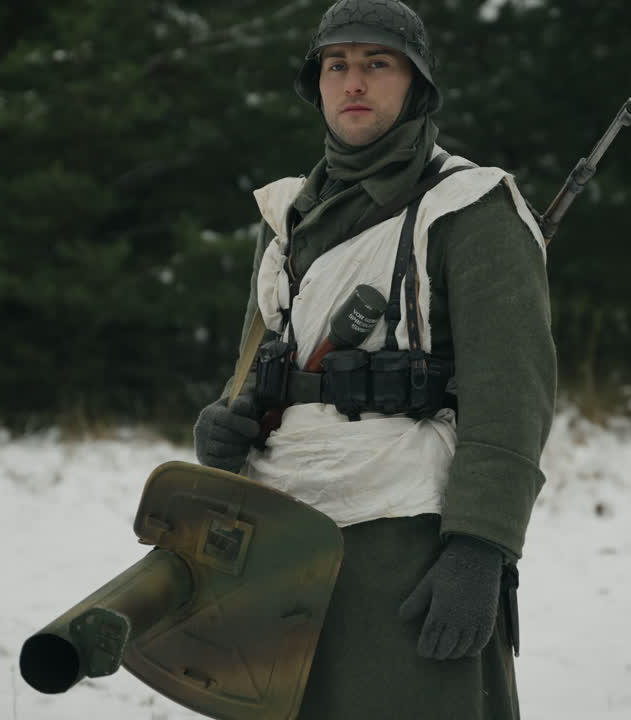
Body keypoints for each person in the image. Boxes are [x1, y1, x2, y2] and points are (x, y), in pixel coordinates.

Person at [193, 1, 556, 717]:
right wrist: (223, 422)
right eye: (337, 65)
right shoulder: (289, 218)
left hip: (402, 540)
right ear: (318, 84)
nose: (353, 82)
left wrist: (480, 549)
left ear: (416, 84)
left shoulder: (472, 209)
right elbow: (259, 364)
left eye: (376, 64)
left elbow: (512, 398)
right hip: (281, 529)